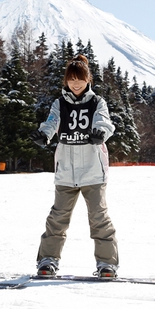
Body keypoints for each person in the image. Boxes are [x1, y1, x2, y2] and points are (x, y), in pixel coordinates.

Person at [29, 54, 119, 279]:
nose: (75, 83)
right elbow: (52, 122)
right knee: (57, 218)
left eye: (80, 79)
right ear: (66, 81)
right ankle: (48, 260)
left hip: (92, 171)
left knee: (99, 218)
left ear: (88, 79)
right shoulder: (59, 103)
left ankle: (107, 263)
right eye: (71, 79)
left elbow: (104, 121)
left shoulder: (97, 102)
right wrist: (44, 134)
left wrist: (101, 132)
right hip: (66, 173)